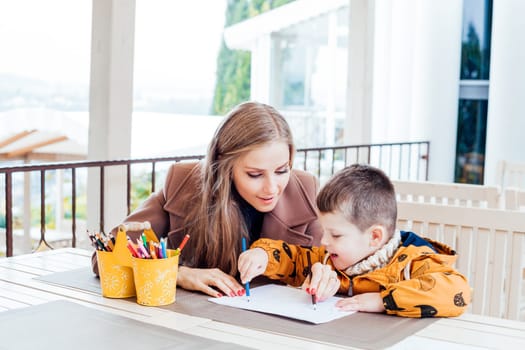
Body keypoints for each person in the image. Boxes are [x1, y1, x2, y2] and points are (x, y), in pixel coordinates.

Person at [91, 101, 323, 298]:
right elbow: (106, 256)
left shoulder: (305, 191)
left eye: (282, 170)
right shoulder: (182, 183)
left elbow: (338, 268)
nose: (272, 187)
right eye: (254, 174)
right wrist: (177, 274)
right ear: (225, 167)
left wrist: (327, 276)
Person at [238, 164, 471, 318]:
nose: (324, 241)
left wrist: (382, 300)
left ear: (374, 237)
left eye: (336, 235)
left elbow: (458, 292)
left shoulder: (414, 263)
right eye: (325, 231)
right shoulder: (330, 258)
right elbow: (293, 259)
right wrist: (263, 256)